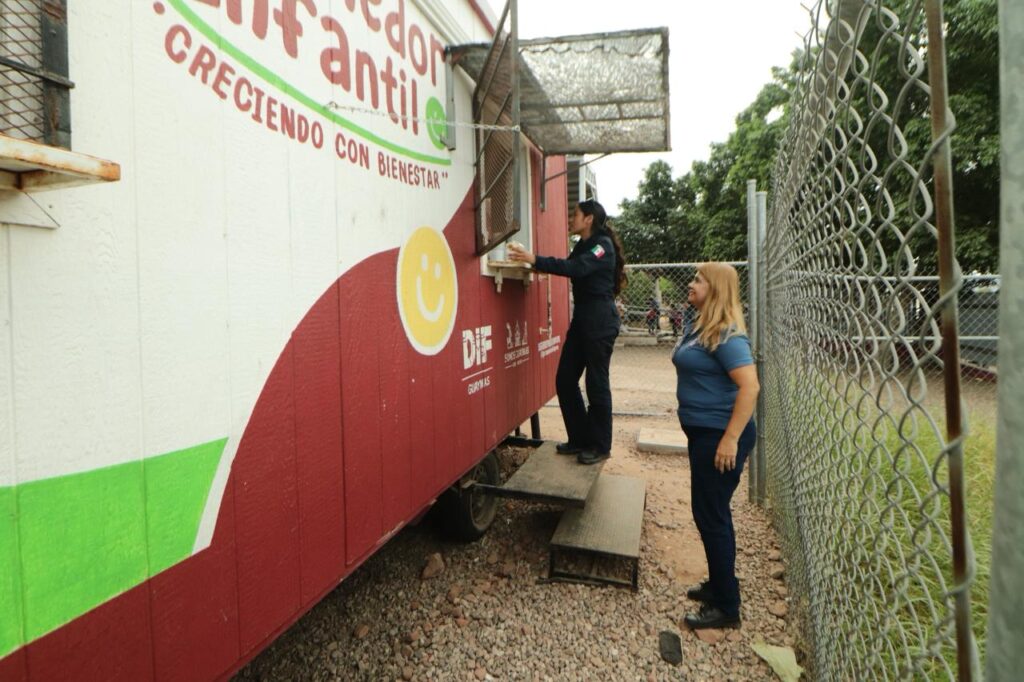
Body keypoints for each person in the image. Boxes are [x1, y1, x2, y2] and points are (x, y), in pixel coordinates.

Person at [672, 262, 760, 629]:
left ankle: (727, 607)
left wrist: (729, 439)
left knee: (712, 517)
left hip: (719, 436)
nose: (691, 284)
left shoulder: (727, 334)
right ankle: (718, 585)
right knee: (709, 513)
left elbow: (750, 387)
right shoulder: (699, 326)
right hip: (703, 434)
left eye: (698, 280)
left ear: (716, 289)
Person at [507, 200, 627, 465]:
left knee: (596, 384)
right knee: (564, 379)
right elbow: (565, 265)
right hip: (583, 321)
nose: (571, 218)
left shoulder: (600, 246)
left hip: (600, 322)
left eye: (575, 214)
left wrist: (535, 259)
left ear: (589, 219)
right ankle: (580, 438)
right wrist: (530, 261)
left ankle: (599, 445)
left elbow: (576, 268)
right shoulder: (583, 246)